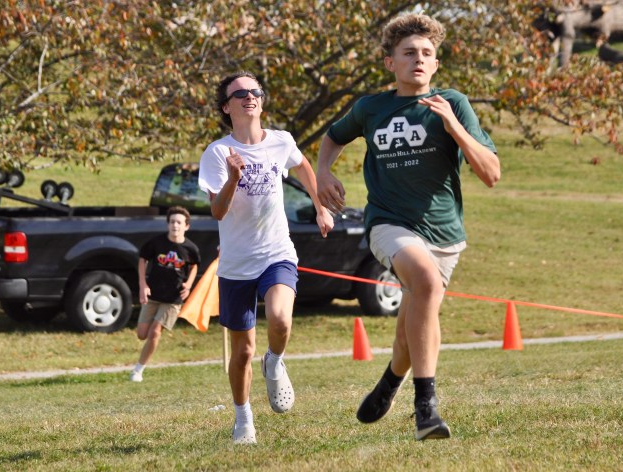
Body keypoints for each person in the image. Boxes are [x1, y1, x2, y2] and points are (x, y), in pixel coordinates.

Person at [316, 12, 501, 440]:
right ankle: (426, 410)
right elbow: (333, 136)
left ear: (436, 64)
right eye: (408, 52)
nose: (418, 59)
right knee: (426, 283)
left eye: (426, 53)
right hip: (389, 223)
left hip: (445, 234)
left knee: (411, 327)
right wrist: (324, 172)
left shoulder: (453, 103)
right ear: (390, 62)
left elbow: (491, 174)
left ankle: (390, 382)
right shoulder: (370, 108)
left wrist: (454, 127)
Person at [198, 71, 334, 445]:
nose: (250, 96)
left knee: (280, 318)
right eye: (240, 93)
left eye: (255, 91)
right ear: (226, 107)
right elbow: (218, 211)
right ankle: (244, 421)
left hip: (276, 253)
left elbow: (303, 166)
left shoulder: (281, 141)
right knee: (242, 351)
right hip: (236, 265)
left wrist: (320, 207)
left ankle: (274, 361)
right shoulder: (217, 153)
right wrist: (232, 178)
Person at [130, 206, 200, 382]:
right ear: (168, 224)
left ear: (186, 226)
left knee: (155, 332)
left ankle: (138, 370)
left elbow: (194, 266)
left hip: (173, 299)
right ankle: (140, 364)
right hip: (153, 294)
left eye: (179, 222)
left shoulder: (190, 248)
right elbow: (143, 259)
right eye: (172, 222)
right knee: (142, 334)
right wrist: (142, 284)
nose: (175, 225)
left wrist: (189, 285)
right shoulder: (156, 243)